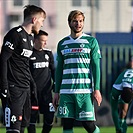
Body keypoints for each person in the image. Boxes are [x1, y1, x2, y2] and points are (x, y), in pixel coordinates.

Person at [53, 10, 102, 133]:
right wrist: (56, 91)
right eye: (75, 21)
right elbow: (59, 69)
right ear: (69, 23)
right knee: (67, 125)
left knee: (88, 125)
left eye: (81, 21)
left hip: (84, 91)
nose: (78, 24)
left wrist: (96, 89)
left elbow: (96, 66)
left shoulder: (91, 42)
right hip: (65, 91)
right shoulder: (62, 43)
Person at [0, 5, 46, 133]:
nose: (42, 24)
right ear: (34, 19)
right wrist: (4, 86)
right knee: (13, 129)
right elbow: (3, 60)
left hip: (25, 88)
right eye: (42, 20)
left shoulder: (31, 38)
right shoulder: (14, 34)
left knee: (22, 126)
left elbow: (24, 64)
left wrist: (32, 85)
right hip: (13, 88)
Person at [27, 30, 55, 133]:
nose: (45, 43)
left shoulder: (48, 54)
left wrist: (55, 83)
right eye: (43, 40)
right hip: (33, 94)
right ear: (35, 40)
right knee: (32, 120)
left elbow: (53, 70)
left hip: (46, 94)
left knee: (50, 118)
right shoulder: (29, 55)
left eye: (46, 41)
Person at [110, 57, 133, 133]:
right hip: (123, 84)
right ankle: (120, 129)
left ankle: (122, 127)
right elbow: (114, 109)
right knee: (122, 111)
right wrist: (117, 127)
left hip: (126, 84)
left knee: (124, 111)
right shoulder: (116, 88)